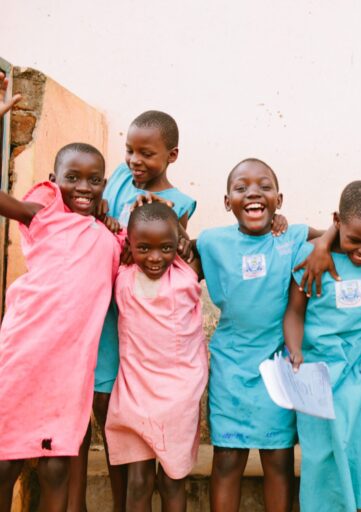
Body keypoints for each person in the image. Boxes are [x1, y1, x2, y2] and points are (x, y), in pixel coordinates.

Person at [78, 110, 198, 512]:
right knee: (105, 411)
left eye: (146, 153)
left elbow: (174, 253)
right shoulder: (115, 177)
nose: (135, 161)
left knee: (120, 400)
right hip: (100, 305)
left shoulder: (177, 203)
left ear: (172, 155)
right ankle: (120, 500)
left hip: (135, 322)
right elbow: (91, 210)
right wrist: (107, 218)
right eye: (130, 150)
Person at [196, 158, 333, 512]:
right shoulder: (212, 242)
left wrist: (321, 246)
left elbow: (338, 233)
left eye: (264, 187)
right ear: (227, 202)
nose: (253, 192)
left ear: (279, 199)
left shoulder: (291, 237)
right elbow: (168, 243)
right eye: (241, 188)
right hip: (231, 368)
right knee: (227, 459)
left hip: (277, 366)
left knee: (278, 460)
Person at [0, 143, 122, 512]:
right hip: (23, 356)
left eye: (94, 180)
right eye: (73, 178)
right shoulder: (41, 214)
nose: (84, 187)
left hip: (69, 371)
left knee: (56, 467)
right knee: (6, 460)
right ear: (54, 182)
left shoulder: (107, 236)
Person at [284, 180, 361, 512]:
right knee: (323, 454)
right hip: (319, 371)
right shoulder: (311, 257)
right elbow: (294, 311)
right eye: (355, 240)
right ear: (337, 221)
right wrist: (295, 352)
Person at [105, 202, 207, 512]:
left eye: (165, 248)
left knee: (172, 480)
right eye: (144, 248)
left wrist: (182, 233)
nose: (154, 257)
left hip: (178, 395)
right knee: (138, 481)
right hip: (135, 393)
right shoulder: (122, 273)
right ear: (129, 245)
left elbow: (204, 246)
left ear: (178, 245)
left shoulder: (187, 273)